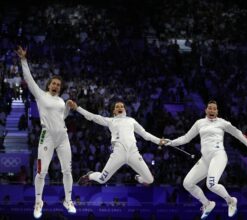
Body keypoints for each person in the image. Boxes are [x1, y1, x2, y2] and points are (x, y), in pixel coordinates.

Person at [165, 100, 247, 219]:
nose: (212, 110)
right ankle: (207, 204)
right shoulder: (199, 123)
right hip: (205, 159)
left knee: (211, 184)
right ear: (206, 110)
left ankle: (231, 201)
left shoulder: (222, 123)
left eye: (214, 108)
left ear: (217, 111)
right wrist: (171, 142)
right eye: (210, 108)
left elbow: (237, 133)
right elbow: (186, 138)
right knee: (187, 183)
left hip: (219, 155)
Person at [15, 46, 76, 219]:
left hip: (62, 137)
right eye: (53, 83)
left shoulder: (61, 101)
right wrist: (24, 60)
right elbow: (29, 78)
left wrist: (69, 109)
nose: (56, 85)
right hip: (47, 136)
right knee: (41, 172)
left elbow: (62, 117)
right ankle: (38, 202)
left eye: (58, 84)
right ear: (48, 85)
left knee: (67, 171)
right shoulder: (41, 95)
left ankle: (68, 200)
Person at [68, 101, 166, 186]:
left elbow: (144, 134)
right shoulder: (111, 121)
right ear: (114, 111)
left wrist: (158, 141)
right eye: (117, 106)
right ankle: (90, 176)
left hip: (133, 153)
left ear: (125, 109)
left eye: (122, 106)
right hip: (118, 154)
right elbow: (93, 117)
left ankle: (137, 178)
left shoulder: (131, 120)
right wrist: (77, 108)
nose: (120, 108)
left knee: (150, 180)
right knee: (102, 179)